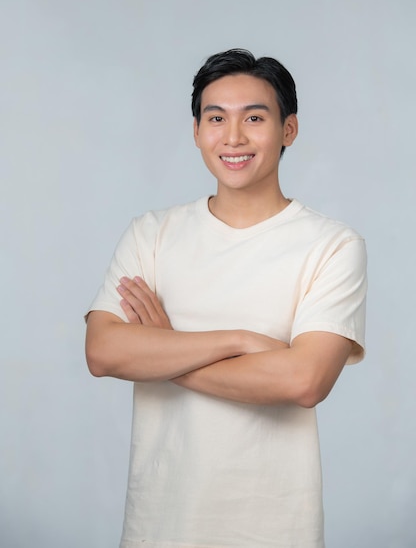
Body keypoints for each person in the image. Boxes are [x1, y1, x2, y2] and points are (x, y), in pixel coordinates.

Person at [85, 49, 367, 548]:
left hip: (276, 526)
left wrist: (164, 349)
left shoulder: (332, 245)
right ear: (196, 132)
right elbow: (104, 352)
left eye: (254, 118)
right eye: (215, 118)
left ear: (289, 130)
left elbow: (304, 380)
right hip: (159, 523)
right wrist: (238, 340)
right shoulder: (152, 234)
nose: (232, 137)